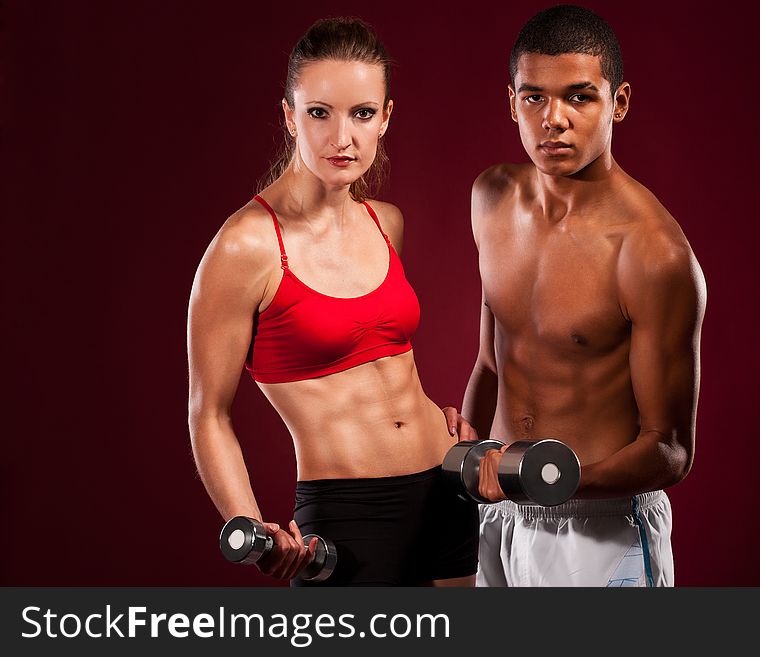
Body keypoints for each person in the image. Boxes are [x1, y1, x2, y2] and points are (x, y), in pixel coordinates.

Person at [187, 17, 477, 587]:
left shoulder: (384, 222)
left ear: (386, 118)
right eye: (319, 112)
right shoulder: (245, 246)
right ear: (289, 116)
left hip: (449, 488)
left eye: (362, 113)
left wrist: (428, 415)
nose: (341, 137)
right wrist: (248, 527)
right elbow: (208, 414)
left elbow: (381, 359)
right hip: (349, 515)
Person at [453, 5, 707, 587]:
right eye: (534, 97)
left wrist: (547, 478)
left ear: (618, 102)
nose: (554, 119)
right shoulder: (491, 198)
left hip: (601, 529)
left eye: (579, 97)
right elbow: (493, 358)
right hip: (497, 518)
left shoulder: (652, 252)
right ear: (511, 102)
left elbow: (669, 450)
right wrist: (468, 466)